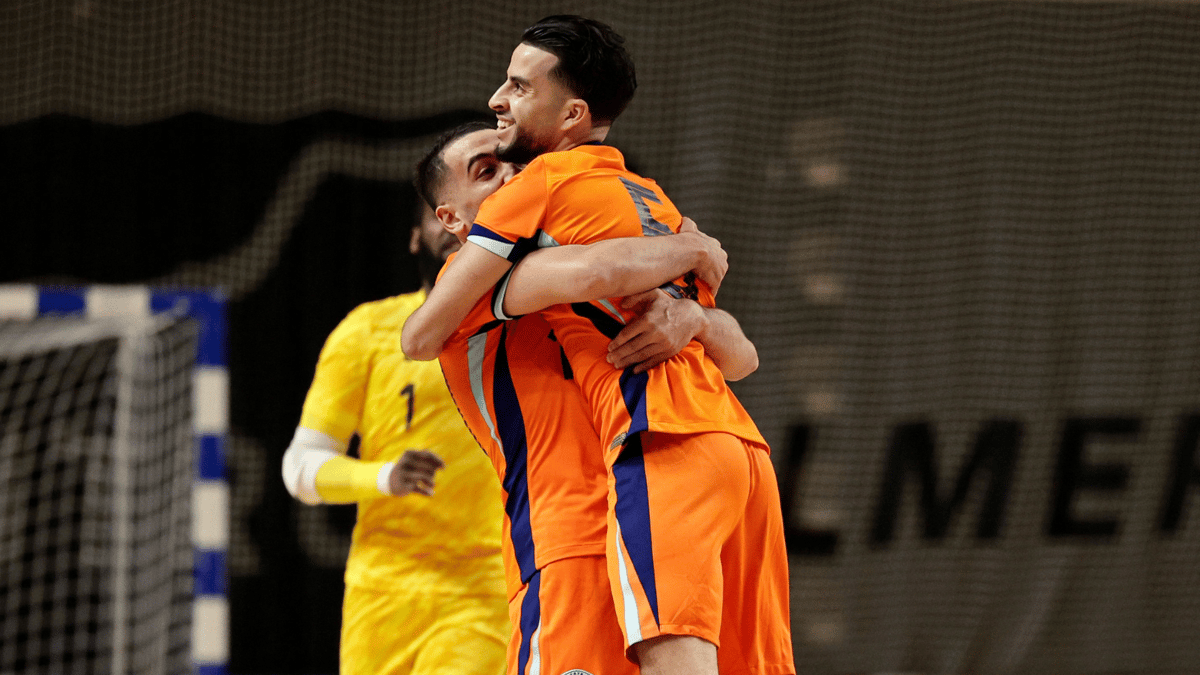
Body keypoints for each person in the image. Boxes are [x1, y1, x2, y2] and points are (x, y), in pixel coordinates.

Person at [403, 16, 795, 675]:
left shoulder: (571, 223)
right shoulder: (468, 286)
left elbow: (740, 349)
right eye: (485, 170)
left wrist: (689, 319)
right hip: (569, 543)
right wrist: (694, 245)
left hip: (646, 491)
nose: (509, 177)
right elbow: (589, 273)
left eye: (512, 164)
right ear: (451, 220)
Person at [281, 206, 508, 675]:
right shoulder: (366, 330)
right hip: (379, 592)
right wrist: (384, 476)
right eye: (441, 216)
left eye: (476, 216)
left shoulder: (527, 332)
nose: (458, 226)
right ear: (413, 237)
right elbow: (300, 469)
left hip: (484, 588)